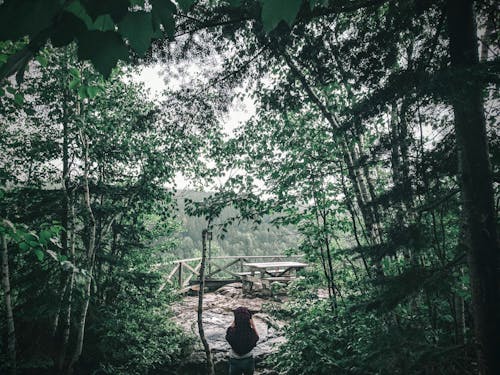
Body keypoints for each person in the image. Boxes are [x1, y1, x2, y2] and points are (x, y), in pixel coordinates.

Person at [225, 306, 259, 375]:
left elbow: (228, 334)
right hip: (248, 359)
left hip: (234, 360)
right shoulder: (251, 333)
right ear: (248, 320)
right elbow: (257, 337)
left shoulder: (232, 333)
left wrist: (236, 320)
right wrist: (253, 325)